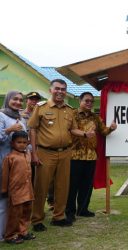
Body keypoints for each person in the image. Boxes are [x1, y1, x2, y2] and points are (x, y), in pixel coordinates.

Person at [28, 79, 94, 232]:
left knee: (62, 187)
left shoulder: (69, 110)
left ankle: (59, 217)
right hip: (45, 152)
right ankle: (37, 219)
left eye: (63, 89)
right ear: (50, 90)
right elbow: (32, 129)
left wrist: (85, 134)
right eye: (57, 88)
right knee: (41, 187)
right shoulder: (41, 107)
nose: (60, 91)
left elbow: (73, 130)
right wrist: (34, 152)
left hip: (65, 153)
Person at [65, 92, 117, 222]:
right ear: (80, 101)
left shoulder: (95, 117)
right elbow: (69, 130)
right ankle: (69, 212)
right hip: (75, 155)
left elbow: (103, 131)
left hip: (91, 156)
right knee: (72, 186)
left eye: (91, 101)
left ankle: (83, 210)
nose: (89, 103)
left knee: (86, 185)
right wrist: (84, 134)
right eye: (86, 101)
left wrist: (110, 128)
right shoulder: (72, 115)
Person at [0, 91, 26, 242]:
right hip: (3, 163)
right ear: (8, 99)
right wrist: (10, 129)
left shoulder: (19, 118)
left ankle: (13, 231)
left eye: (20, 100)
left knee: (16, 200)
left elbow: (23, 140)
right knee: (3, 200)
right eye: (14, 99)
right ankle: (2, 235)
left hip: (18, 167)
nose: (18, 102)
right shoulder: (1, 115)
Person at [1, 131, 35, 244]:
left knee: (26, 212)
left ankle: (23, 231)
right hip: (16, 192)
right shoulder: (10, 158)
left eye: (24, 142)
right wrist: (4, 190)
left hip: (28, 190)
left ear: (28, 143)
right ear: (12, 143)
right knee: (15, 214)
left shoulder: (28, 154)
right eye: (19, 142)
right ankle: (10, 235)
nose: (22, 144)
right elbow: (5, 175)